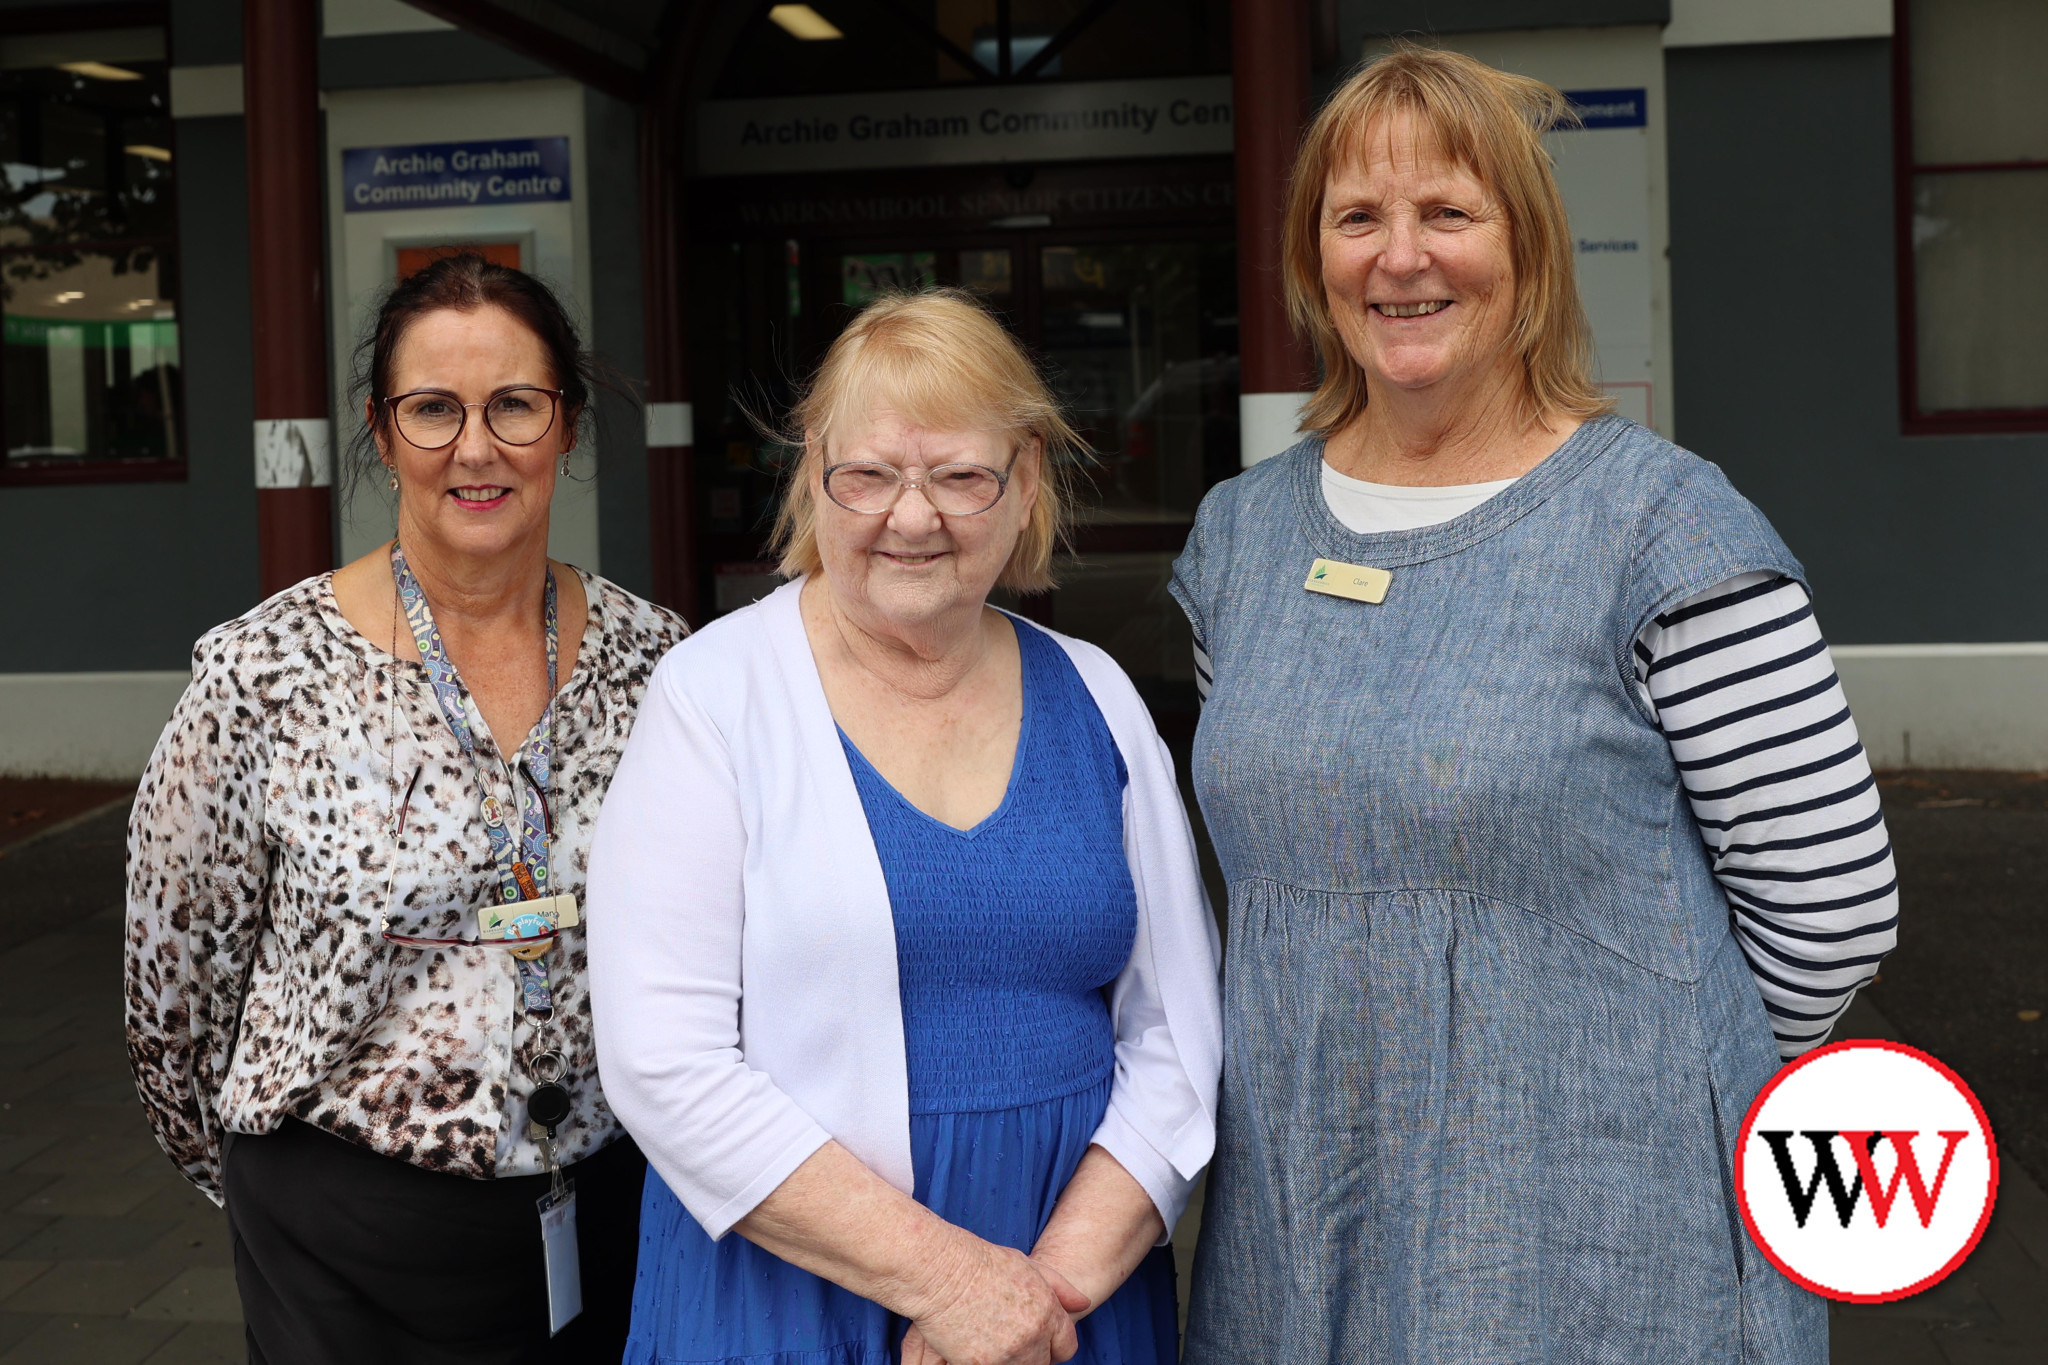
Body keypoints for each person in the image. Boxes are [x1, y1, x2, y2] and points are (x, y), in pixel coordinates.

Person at [1172, 47, 1898, 1364]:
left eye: (1448, 212)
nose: (1401, 258)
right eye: (1357, 218)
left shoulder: (1665, 528)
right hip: (1307, 1234)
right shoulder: (1238, 541)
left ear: (1532, 250)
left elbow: (1833, 905)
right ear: (1312, 258)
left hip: (1605, 1240)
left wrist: (1662, 1072)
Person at [586, 290, 1223, 1365]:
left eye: (960, 476)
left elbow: (1180, 1032)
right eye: (869, 475)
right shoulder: (714, 695)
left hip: (1071, 1302)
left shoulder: (1098, 696)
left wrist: (1037, 1296)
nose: (912, 516)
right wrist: (950, 1284)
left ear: (1024, 483)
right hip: (793, 1293)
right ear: (812, 479)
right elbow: (663, 1062)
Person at [125, 254, 688, 1362]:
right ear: (381, 434)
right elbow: (171, 1007)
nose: (474, 448)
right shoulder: (264, 675)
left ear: (565, 427)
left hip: (616, 1217)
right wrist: (272, 1194)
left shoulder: (660, 666)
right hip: (348, 1245)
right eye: (432, 410)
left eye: (514, 405)